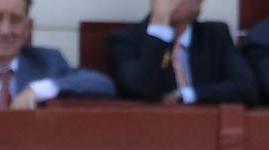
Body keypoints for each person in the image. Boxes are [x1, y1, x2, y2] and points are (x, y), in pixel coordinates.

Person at [107, 0, 258, 105]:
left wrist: (185, 95)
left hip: (203, 132)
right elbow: (146, 89)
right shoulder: (125, 41)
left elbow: (246, 88)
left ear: (197, 3)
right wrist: (160, 26)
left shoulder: (215, 36)